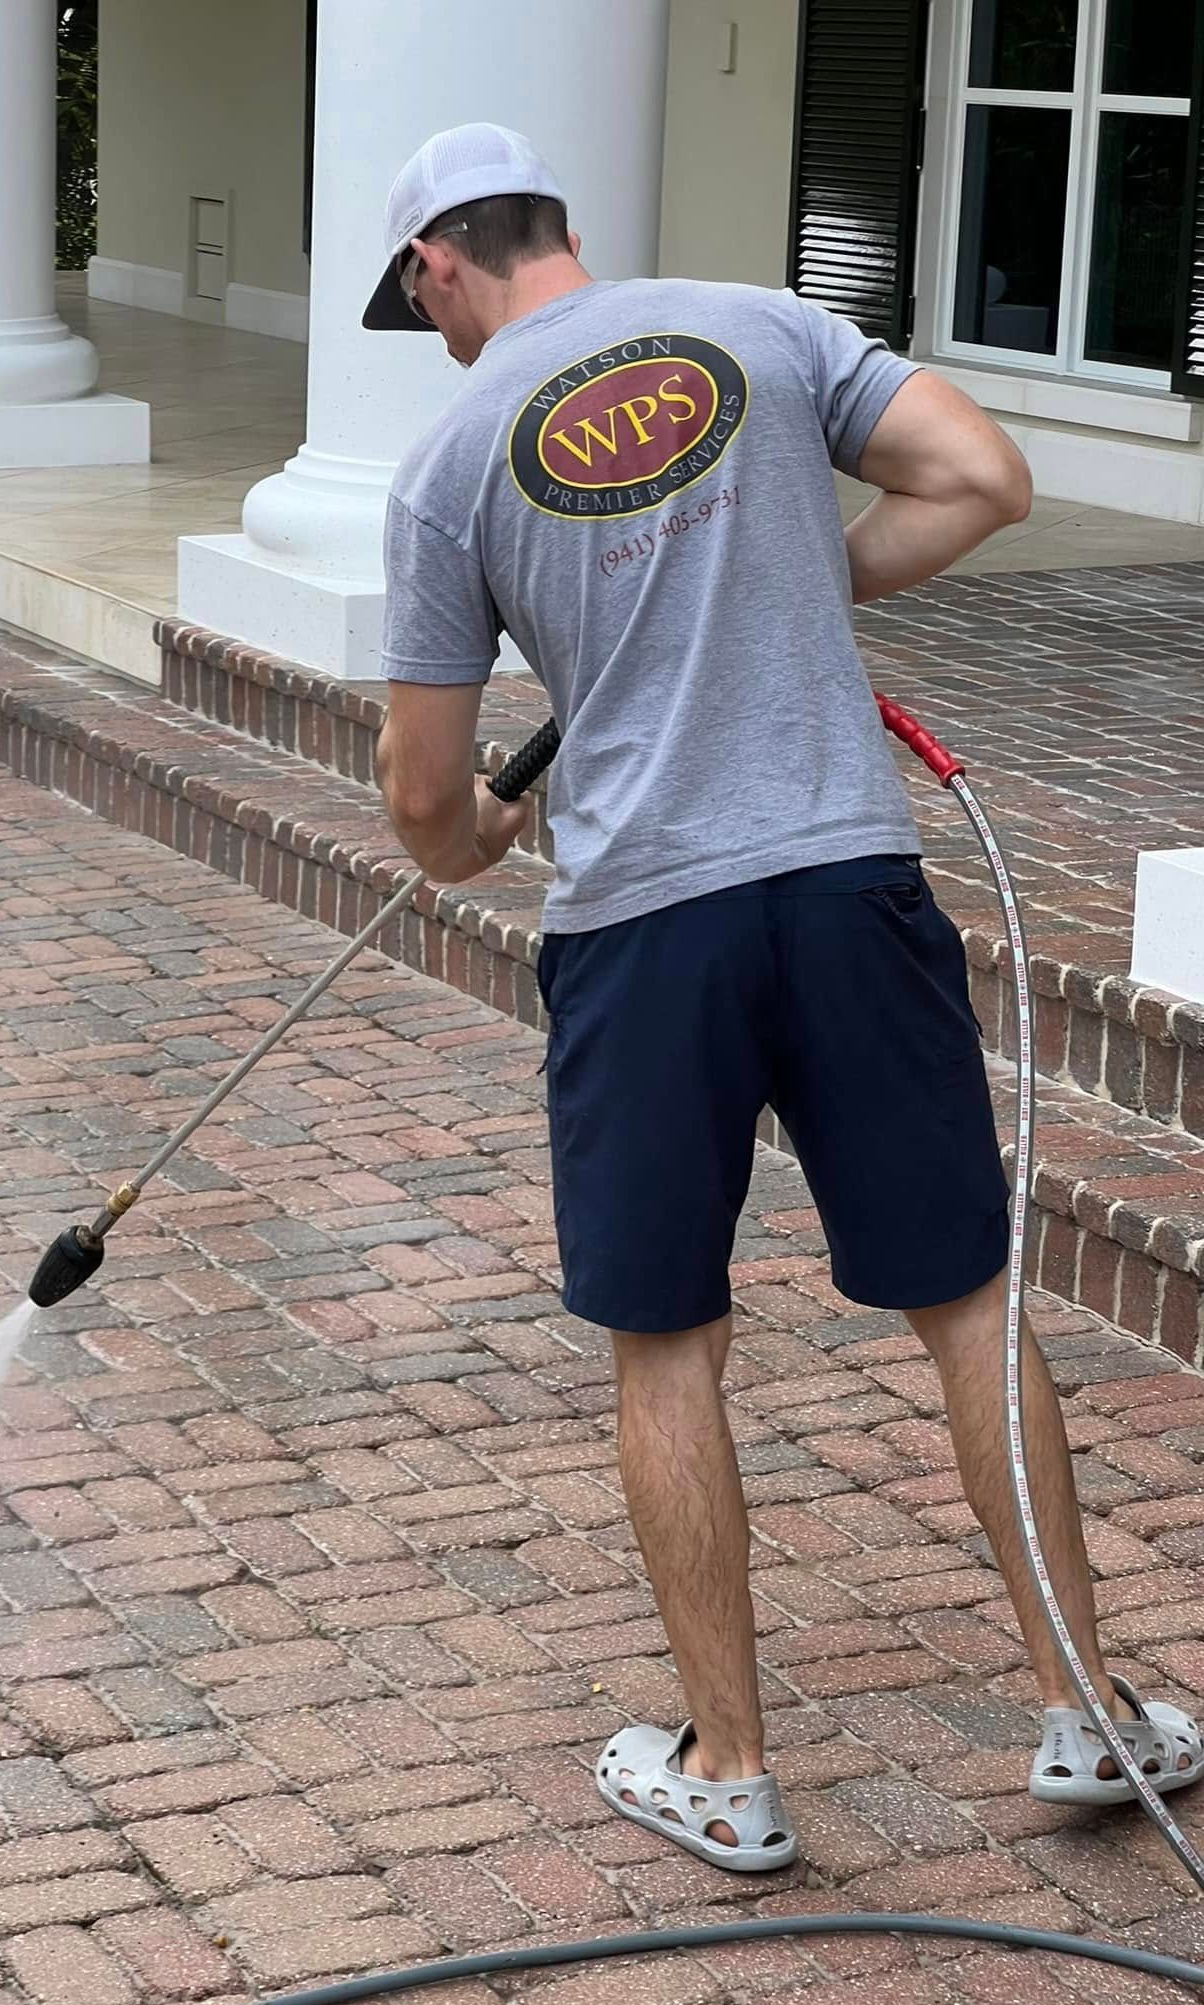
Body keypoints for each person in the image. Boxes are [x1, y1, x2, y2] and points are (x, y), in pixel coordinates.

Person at [366, 122, 1203, 1872]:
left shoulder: (447, 463)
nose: (428, 328)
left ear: (439, 261)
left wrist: (482, 836)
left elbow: (426, 800)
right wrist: (805, 576)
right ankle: (1089, 1713)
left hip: (642, 934)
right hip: (843, 887)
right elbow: (983, 478)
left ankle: (731, 1769)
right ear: (554, 227)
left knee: (667, 1341)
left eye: (415, 299)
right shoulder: (763, 323)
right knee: (967, 1301)